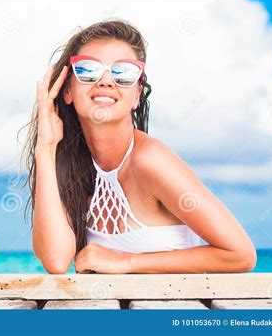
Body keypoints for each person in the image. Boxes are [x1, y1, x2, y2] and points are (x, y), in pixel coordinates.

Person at [22, 19, 256, 274]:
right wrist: (45, 149)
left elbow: (240, 255)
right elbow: (55, 262)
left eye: (124, 72)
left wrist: (124, 262)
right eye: (88, 69)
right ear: (67, 90)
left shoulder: (151, 160)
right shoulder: (74, 166)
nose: (106, 81)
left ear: (136, 95)